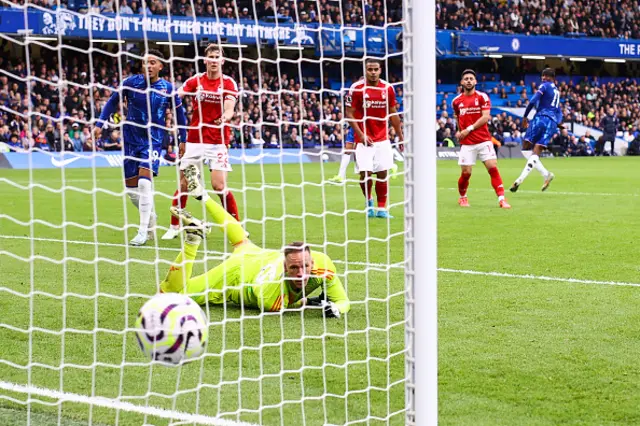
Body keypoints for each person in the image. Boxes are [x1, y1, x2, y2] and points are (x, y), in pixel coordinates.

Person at [160, 164, 350, 318]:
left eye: (305, 266)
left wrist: (335, 308)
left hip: (255, 252)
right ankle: (193, 239)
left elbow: (343, 303)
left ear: (312, 262)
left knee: (241, 239)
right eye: (294, 268)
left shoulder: (323, 264)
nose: (300, 273)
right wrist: (306, 302)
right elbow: (289, 302)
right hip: (235, 274)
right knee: (168, 296)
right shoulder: (271, 299)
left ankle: (203, 195)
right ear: (285, 267)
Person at [93, 50, 188, 246]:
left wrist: (183, 139)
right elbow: (112, 103)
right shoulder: (129, 83)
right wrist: (99, 123)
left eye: (153, 62)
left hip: (153, 139)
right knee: (132, 191)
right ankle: (150, 216)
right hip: (130, 139)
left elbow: (181, 116)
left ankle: (142, 231)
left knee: (145, 183)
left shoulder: (167, 88)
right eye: (146, 62)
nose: (149, 66)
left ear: (161, 66)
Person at [162, 44, 240, 240]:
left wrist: (226, 116)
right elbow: (176, 96)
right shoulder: (195, 80)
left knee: (219, 186)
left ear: (222, 61)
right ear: (205, 60)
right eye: (210, 57)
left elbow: (230, 107)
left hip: (218, 140)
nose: (213, 60)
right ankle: (174, 226)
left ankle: (236, 226)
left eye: (217, 57)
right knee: (184, 183)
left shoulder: (229, 83)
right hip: (195, 139)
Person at [345, 58, 403, 218]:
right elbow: (349, 113)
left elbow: (393, 113)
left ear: (380, 70)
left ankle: (382, 209)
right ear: (365, 70)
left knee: (383, 173)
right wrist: (360, 134)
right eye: (369, 69)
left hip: (382, 139)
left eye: (375, 69)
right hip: (363, 140)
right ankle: (369, 200)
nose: (373, 72)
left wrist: (400, 136)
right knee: (366, 174)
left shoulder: (388, 88)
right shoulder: (356, 88)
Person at [451, 69, 510, 209]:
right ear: (462, 82)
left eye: (471, 78)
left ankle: (502, 199)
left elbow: (485, 117)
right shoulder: (456, 101)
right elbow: (457, 117)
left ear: (475, 81)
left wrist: (468, 129)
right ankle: (462, 198)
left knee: (492, 167)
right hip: (467, 143)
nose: (469, 80)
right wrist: (460, 131)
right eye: (466, 78)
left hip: (484, 140)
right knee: (466, 173)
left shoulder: (482, 97)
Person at [510, 68, 562, 193]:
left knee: (526, 147)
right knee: (536, 150)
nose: (543, 78)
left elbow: (533, 100)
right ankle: (546, 175)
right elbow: (559, 111)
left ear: (550, 77)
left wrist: (525, 116)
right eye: (543, 76)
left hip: (541, 118)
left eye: (545, 76)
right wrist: (557, 124)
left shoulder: (544, 86)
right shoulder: (557, 92)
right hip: (552, 122)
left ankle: (520, 179)